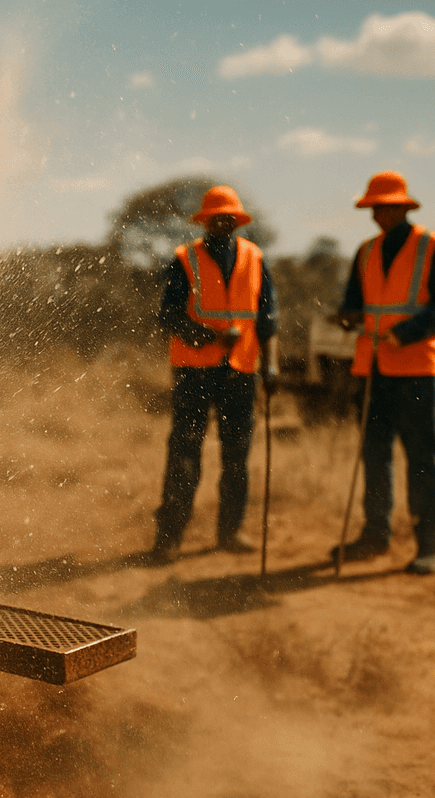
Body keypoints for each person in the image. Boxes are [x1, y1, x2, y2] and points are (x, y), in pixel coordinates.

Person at [331, 171, 435, 575]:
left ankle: (429, 545)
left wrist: (404, 334)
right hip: (373, 369)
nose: (379, 215)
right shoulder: (365, 252)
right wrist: (348, 317)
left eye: (386, 207)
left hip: (416, 368)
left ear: (403, 207)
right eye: (374, 209)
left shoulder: (431, 247)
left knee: (422, 458)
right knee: (374, 455)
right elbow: (355, 302)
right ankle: (374, 535)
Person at [150, 185, 278, 563]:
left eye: (229, 217)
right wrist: (209, 337)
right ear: (205, 221)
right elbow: (168, 315)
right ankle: (169, 537)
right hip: (193, 371)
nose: (223, 222)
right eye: (215, 217)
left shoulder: (255, 258)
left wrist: (272, 366)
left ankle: (230, 531)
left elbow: (269, 318)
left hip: (241, 371)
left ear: (237, 221)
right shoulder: (184, 259)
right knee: (185, 452)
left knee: (237, 455)